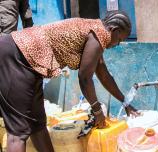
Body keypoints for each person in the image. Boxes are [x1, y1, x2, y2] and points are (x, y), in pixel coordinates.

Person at [0, 10, 139, 152]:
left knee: (37, 125)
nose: (117, 44)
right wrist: (97, 111)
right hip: (16, 57)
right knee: (18, 133)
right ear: (114, 30)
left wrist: (125, 102)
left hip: (29, 63)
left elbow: (104, 74)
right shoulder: (98, 34)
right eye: (119, 40)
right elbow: (84, 78)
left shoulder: (96, 32)